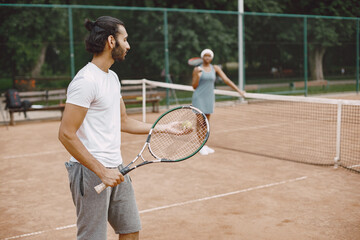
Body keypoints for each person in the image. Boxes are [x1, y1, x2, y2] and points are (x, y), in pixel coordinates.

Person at [58, 16, 172, 240]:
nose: (128, 45)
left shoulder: (112, 78)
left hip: (117, 167)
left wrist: (165, 128)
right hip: (90, 171)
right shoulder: (86, 81)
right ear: (112, 41)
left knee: (130, 230)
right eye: (125, 39)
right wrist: (102, 171)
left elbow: (123, 121)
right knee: (93, 237)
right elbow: (65, 134)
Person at [191, 49, 246, 155]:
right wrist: (197, 76)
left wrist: (239, 91)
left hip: (209, 98)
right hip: (199, 98)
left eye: (209, 56)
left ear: (212, 57)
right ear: (202, 57)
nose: (207, 58)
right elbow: (194, 86)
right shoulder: (197, 69)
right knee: (200, 123)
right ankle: (200, 146)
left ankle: (204, 144)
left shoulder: (215, 68)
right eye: (205, 56)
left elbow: (226, 80)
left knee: (206, 123)